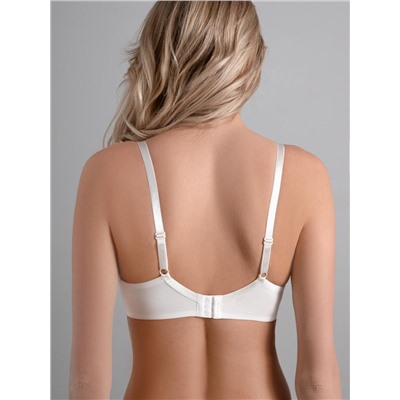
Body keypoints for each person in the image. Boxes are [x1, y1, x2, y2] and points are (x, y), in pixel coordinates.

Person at [69, 2, 342, 399]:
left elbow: (87, 381)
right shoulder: (304, 176)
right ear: (250, 59)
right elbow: (317, 379)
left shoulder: (107, 173)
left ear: (159, 51)